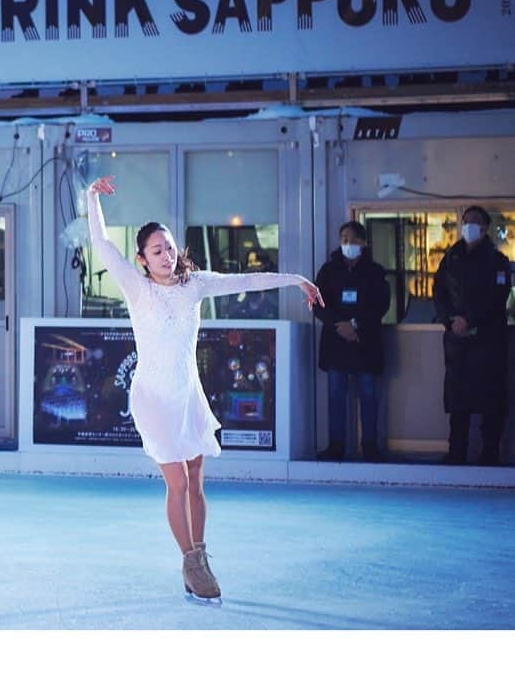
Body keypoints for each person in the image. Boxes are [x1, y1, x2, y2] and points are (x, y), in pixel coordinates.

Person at [86, 175, 323, 603]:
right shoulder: (136, 288)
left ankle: (201, 553)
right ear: (141, 259)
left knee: (195, 479)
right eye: (157, 250)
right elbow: (101, 243)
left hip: (186, 393)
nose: (167, 255)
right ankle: (190, 560)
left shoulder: (194, 285)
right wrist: (91, 198)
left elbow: (246, 281)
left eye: (170, 247)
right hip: (154, 397)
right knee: (175, 481)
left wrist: (296, 280)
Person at [433, 206, 512, 465]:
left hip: (488, 341)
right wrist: (449, 320)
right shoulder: (451, 257)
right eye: (465, 221)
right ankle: (456, 451)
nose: (469, 226)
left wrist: (470, 320)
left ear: (486, 227)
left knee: (491, 397)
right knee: (458, 399)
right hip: (457, 343)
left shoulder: (497, 261)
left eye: (475, 222)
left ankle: (489, 452)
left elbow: (497, 298)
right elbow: (439, 291)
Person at [313, 221, 391, 462]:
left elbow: (380, 305)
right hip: (337, 343)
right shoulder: (328, 270)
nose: (348, 244)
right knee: (336, 396)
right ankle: (336, 446)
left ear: (364, 243)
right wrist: (340, 325)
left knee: (368, 395)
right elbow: (317, 302)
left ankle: (370, 447)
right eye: (344, 238)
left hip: (364, 343)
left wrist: (355, 325)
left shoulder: (375, 272)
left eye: (353, 240)